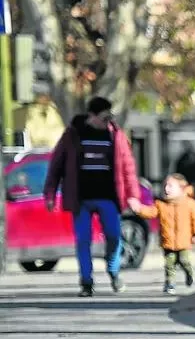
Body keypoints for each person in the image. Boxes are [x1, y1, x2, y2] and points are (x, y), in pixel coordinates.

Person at [43, 96, 141, 297]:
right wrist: (50, 194)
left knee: (114, 236)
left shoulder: (115, 135)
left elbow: (128, 167)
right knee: (83, 241)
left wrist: (133, 195)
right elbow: (56, 166)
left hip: (108, 197)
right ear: (92, 116)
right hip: (81, 199)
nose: (107, 122)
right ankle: (86, 282)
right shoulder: (73, 134)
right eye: (104, 118)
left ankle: (114, 272)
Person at [131, 173, 195, 294]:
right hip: (168, 241)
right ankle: (170, 283)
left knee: (184, 260)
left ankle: (189, 272)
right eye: (165, 186)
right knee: (170, 264)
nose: (166, 189)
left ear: (181, 188)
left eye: (170, 186)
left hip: (184, 241)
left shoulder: (190, 204)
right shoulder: (161, 204)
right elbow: (150, 212)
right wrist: (139, 209)